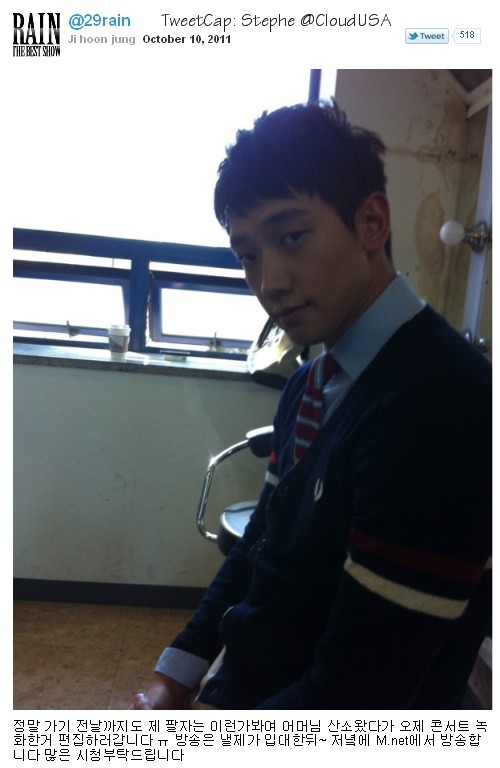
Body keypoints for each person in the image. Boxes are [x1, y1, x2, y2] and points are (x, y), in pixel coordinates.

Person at [132, 100, 491, 710]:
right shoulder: (311, 381)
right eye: (248, 255)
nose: (268, 282)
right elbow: (262, 540)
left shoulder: (443, 403)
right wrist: (176, 671)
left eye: (292, 237)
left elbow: (361, 694)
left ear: (371, 223)